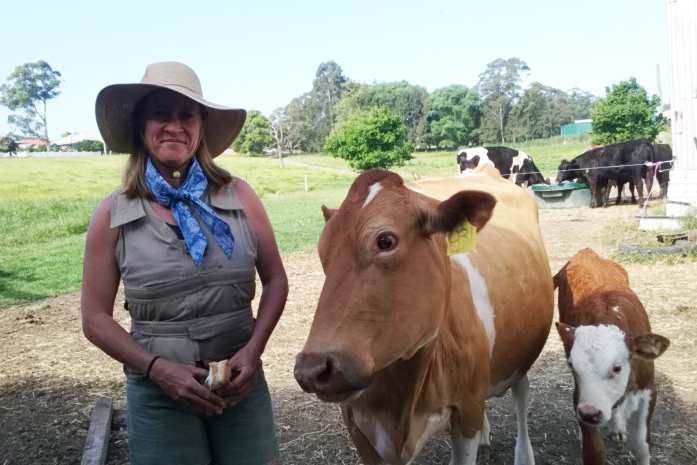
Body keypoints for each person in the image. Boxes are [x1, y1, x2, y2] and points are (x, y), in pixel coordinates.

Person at [81, 61, 288, 465]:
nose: (174, 125)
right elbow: (94, 319)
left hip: (238, 385)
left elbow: (276, 279)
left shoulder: (241, 197)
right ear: (142, 126)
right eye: (161, 113)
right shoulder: (111, 217)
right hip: (158, 394)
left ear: (201, 126)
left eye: (186, 114)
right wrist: (158, 369)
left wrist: (254, 351)